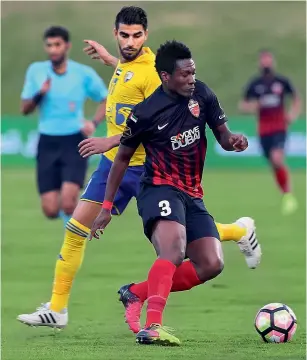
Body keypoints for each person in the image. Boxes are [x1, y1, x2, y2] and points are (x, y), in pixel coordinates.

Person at [17, 7, 260, 330]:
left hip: (147, 167)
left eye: (136, 36)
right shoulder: (130, 65)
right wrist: (109, 60)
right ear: (115, 33)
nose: (129, 42)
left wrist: (109, 141)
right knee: (77, 229)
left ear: (146, 35)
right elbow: (132, 75)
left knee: (181, 243)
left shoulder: (155, 74)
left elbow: (152, 117)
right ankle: (58, 308)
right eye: (124, 35)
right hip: (115, 165)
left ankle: (236, 232)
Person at [90, 40, 249, 346]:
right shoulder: (145, 113)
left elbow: (223, 136)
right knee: (173, 251)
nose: (191, 79)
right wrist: (107, 207)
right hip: (158, 188)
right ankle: (153, 326)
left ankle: (135, 292)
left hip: (192, 193)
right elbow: (122, 158)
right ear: (165, 76)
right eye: (185, 74)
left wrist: (235, 142)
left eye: (193, 72)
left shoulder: (202, 94)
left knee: (211, 264)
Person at [20, 26, 108, 226]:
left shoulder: (82, 73)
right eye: (49, 45)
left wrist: (93, 122)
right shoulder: (36, 71)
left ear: (66, 46)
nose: (53, 50)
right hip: (47, 140)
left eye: (57, 45)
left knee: (68, 203)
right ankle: (77, 201)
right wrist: (40, 93)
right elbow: (24, 109)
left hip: (74, 140)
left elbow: (106, 99)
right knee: (50, 209)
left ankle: (73, 241)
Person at [239, 50, 301, 215]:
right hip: (263, 131)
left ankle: (289, 195)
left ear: (273, 62)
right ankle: (285, 193)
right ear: (260, 64)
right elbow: (243, 105)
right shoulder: (255, 84)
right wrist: (254, 106)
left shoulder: (281, 82)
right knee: (274, 164)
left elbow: (296, 98)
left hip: (280, 128)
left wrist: (293, 114)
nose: (266, 64)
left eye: (268, 61)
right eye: (263, 61)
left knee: (277, 158)